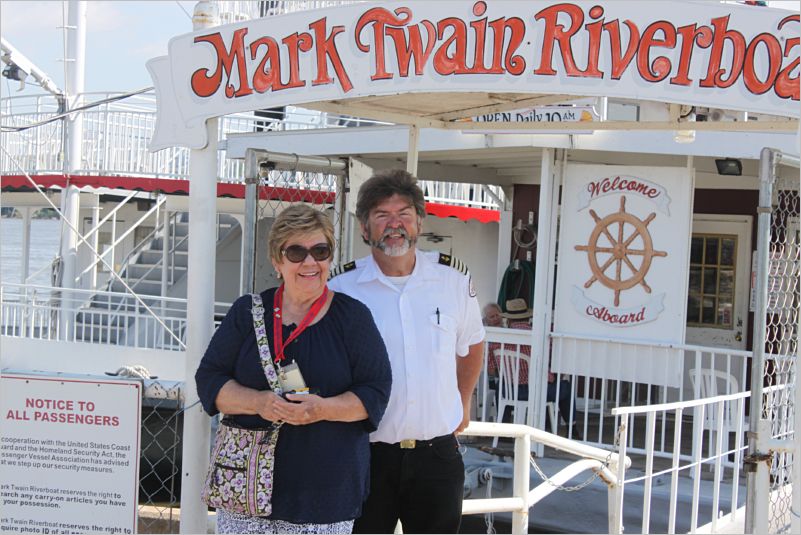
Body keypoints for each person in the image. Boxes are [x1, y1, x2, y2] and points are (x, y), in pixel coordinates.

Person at [195, 204, 392, 534]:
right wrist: (260, 403)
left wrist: (323, 409)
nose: (310, 262)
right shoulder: (247, 312)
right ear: (277, 260)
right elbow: (210, 380)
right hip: (246, 491)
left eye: (320, 250)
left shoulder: (353, 318)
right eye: (297, 252)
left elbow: (376, 391)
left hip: (324, 497)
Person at [328, 169, 485, 534]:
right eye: (382, 215)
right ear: (365, 228)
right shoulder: (341, 289)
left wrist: (463, 400)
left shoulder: (453, 280)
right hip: (366, 456)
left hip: (437, 457)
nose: (394, 224)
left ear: (420, 222)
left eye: (404, 214)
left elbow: (472, 343)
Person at [497, 298, 580, 438]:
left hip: (509, 392)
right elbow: (550, 365)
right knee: (565, 388)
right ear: (529, 317)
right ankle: (572, 429)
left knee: (501, 384)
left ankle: (503, 429)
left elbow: (492, 369)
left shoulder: (500, 337)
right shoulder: (540, 336)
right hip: (536, 392)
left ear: (509, 320)